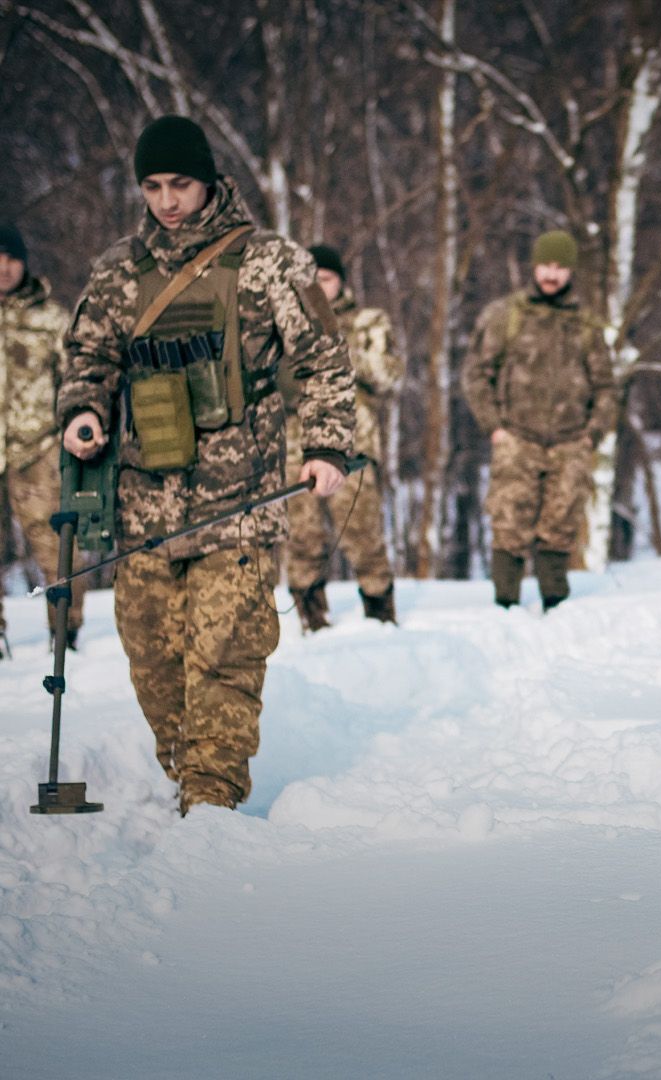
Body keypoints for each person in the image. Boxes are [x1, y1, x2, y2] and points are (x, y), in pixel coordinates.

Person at [59, 115, 353, 814]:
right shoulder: (117, 273)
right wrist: (84, 413)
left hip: (238, 505)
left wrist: (326, 446)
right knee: (155, 664)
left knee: (224, 658)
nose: (167, 200)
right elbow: (88, 360)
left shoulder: (269, 262)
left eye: (180, 184)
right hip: (145, 506)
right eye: (154, 186)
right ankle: (186, 771)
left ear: (210, 181)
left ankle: (211, 805)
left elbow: (322, 359)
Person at [461, 230, 615, 611]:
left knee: (560, 527)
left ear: (571, 272)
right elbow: (476, 374)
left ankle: (557, 608)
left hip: (570, 441)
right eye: (546, 265)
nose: (552, 274)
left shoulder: (586, 326)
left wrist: (591, 435)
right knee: (509, 524)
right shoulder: (504, 316)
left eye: (561, 267)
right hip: (517, 438)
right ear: (534, 266)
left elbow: (607, 387)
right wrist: (494, 427)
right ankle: (506, 606)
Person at [284, 243, 402, 630]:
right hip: (293, 442)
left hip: (354, 442)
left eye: (327, 279)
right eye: (311, 279)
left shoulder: (367, 322)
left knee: (362, 531)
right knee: (302, 535)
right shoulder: (285, 321)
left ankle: (380, 613)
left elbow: (389, 375)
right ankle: (311, 618)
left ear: (341, 283)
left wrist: (340, 344)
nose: (318, 286)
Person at [0, 221, 86, 652]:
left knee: (56, 544)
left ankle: (64, 633)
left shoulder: (50, 318)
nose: (3, 268)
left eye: (11, 258)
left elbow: (77, 380)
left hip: (38, 448)